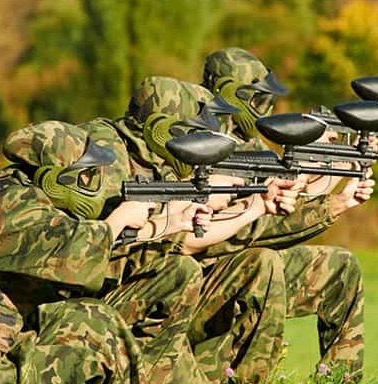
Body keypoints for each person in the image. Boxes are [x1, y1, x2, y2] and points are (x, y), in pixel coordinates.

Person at [0, 121, 208, 383]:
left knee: (170, 276)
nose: (93, 182)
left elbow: (72, 248)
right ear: (53, 178)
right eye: (86, 174)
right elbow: (73, 256)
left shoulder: (22, 196)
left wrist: (167, 224)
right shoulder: (6, 205)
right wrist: (120, 219)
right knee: (93, 322)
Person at [95, 75, 305, 383]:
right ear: (161, 128)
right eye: (189, 133)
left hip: (153, 292)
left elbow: (182, 236)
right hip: (107, 302)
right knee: (184, 270)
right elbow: (179, 243)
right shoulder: (112, 161)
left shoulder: (151, 158)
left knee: (258, 262)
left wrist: (258, 203)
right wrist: (198, 198)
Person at [201, 47, 377, 381]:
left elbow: (283, 208)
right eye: (259, 100)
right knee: (263, 264)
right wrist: (333, 204)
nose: (267, 109)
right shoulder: (197, 148)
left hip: (245, 267)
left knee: (340, 267)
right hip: (212, 275)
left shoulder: (251, 149)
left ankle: (339, 378)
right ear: (230, 95)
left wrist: (336, 173)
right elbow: (253, 230)